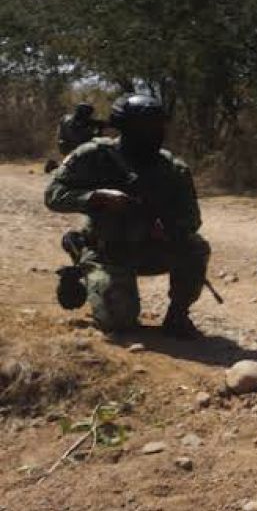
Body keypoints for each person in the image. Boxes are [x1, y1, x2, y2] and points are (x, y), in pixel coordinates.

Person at [45, 94, 211, 339]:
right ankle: (81, 253)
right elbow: (53, 195)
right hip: (107, 251)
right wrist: (97, 197)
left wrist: (171, 228)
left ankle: (178, 316)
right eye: (146, 127)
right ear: (125, 127)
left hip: (151, 248)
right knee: (119, 323)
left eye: (158, 126)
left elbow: (192, 219)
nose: (154, 132)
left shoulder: (173, 168)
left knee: (195, 247)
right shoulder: (95, 155)